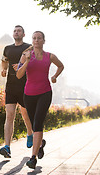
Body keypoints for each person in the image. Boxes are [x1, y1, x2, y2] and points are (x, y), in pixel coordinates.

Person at [16, 31, 64, 169]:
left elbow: (61, 66)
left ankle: (33, 158)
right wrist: (27, 62)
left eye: (39, 38)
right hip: (28, 94)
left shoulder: (50, 56)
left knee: (38, 123)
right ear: (32, 41)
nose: (36, 40)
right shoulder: (25, 55)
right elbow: (19, 75)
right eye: (34, 38)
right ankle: (40, 143)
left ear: (44, 40)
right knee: (33, 124)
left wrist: (54, 76)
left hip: (45, 93)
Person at [0, 25, 33, 158]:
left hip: (25, 86)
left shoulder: (29, 47)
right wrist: (4, 69)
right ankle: (7, 147)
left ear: (23, 34)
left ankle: (29, 133)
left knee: (25, 114)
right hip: (11, 86)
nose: (16, 32)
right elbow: (4, 61)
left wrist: (22, 66)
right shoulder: (7, 48)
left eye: (19, 31)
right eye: (15, 31)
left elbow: (33, 63)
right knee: (9, 116)